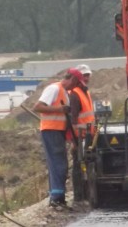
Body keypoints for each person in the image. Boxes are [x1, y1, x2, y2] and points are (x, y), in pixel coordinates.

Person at [33, 68, 84, 209]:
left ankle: (58, 198)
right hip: (51, 130)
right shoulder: (54, 89)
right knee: (58, 164)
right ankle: (56, 198)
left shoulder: (65, 93)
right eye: (76, 83)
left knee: (60, 164)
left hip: (58, 131)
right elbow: (37, 107)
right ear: (73, 79)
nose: (76, 87)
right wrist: (59, 110)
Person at [68, 64, 95, 203]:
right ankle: (79, 197)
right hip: (80, 136)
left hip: (89, 136)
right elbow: (73, 119)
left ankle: (86, 194)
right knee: (79, 166)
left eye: (88, 75)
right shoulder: (75, 94)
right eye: (84, 75)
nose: (86, 78)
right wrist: (74, 140)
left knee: (87, 165)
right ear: (78, 77)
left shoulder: (86, 92)